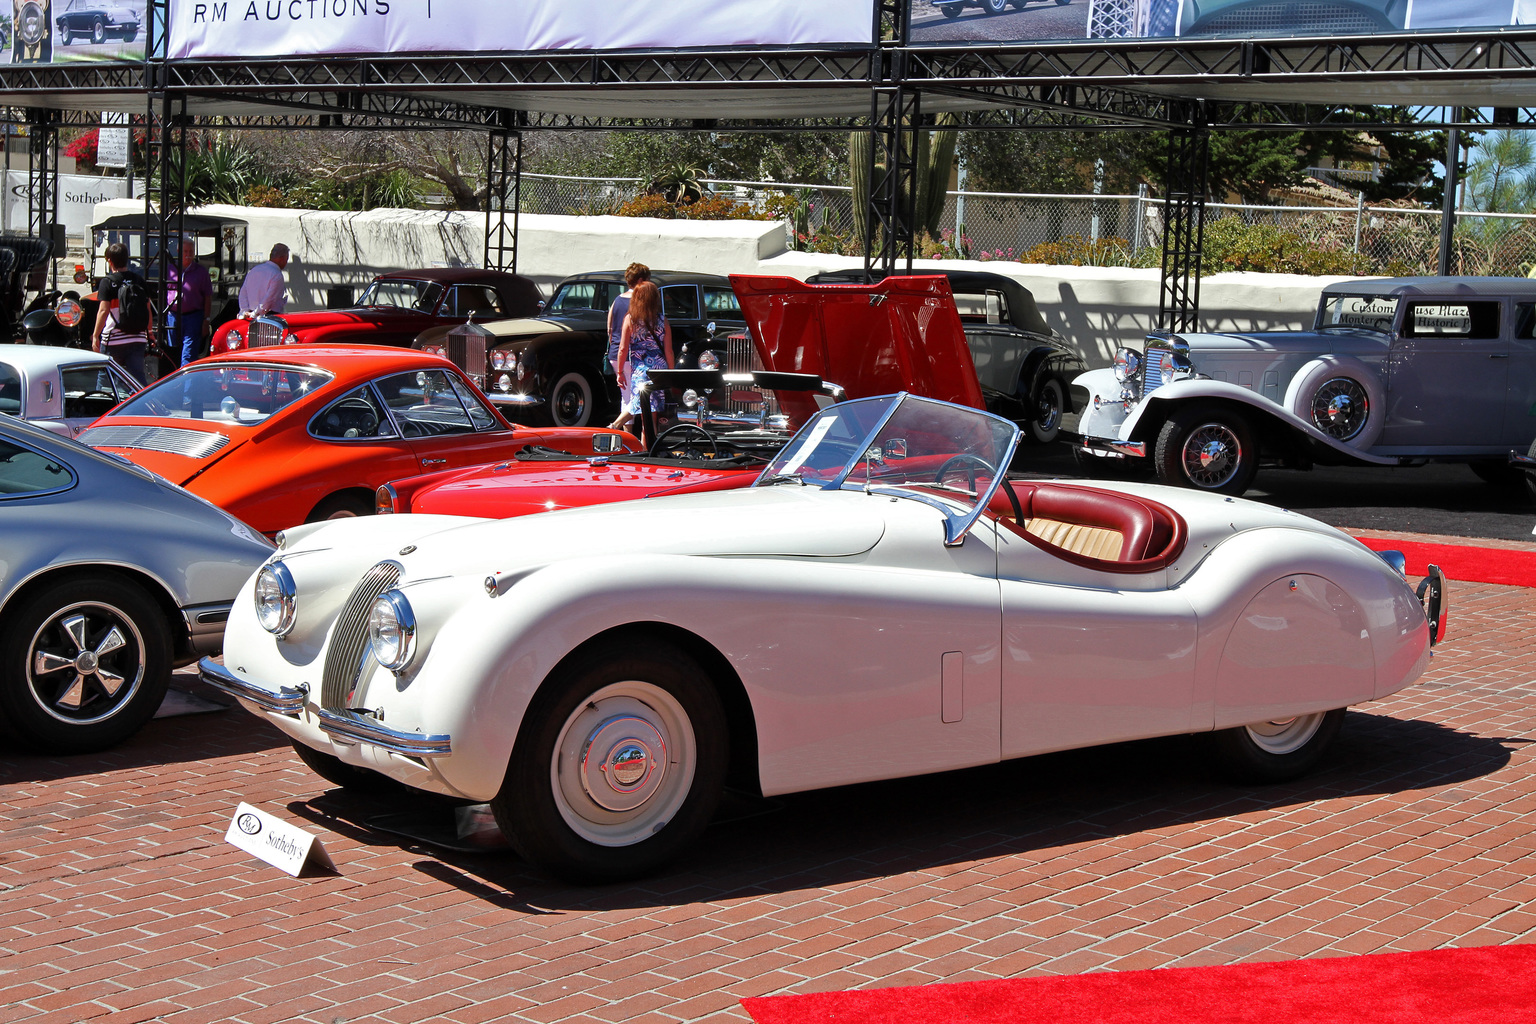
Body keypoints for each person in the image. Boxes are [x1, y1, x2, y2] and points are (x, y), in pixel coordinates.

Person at [615, 279, 674, 448]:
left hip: (640, 371)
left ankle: (618, 428)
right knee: (651, 416)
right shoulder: (663, 320)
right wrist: (672, 373)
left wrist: (620, 372)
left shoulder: (630, 320)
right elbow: (669, 351)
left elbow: (622, 349)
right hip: (659, 371)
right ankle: (647, 451)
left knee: (642, 412)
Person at [91, 242, 153, 384]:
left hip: (113, 339)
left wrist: (95, 335)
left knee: (105, 379)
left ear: (109, 261)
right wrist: (149, 333)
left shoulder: (107, 282)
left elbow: (103, 311)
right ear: (127, 259)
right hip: (138, 338)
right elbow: (147, 309)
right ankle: (140, 405)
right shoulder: (139, 280)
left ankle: (106, 406)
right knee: (137, 379)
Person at [606, 262, 649, 430]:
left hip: (615, 354)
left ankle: (627, 437)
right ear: (640, 280)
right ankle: (616, 426)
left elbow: (609, 328)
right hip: (633, 355)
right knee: (640, 396)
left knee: (626, 398)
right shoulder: (640, 301)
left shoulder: (616, 300)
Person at [166, 239, 213, 368]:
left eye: (191, 251)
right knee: (172, 352)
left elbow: (208, 296)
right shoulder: (170, 269)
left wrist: (206, 320)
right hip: (173, 316)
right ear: (178, 252)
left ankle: (186, 385)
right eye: (185, 251)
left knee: (188, 353)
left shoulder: (201, 272)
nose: (188, 254)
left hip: (193, 317)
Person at [238, 243, 289, 316]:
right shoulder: (276, 275)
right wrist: (255, 313)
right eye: (286, 260)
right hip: (269, 316)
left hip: (252, 313)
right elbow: (270, 299)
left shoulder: (254, 270)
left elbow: (243, 292)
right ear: (282, 259)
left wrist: (244, 311)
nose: (286, 263)